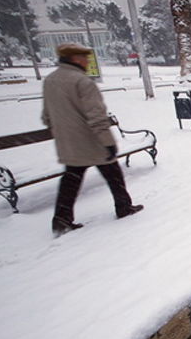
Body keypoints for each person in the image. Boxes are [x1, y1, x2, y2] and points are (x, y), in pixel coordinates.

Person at [42, 43, 143, 237]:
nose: (88, 61)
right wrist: (108, 141)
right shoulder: (82, 81)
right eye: (85, 58)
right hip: (91, 140)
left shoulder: (50, 80)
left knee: (71, 179)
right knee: (113, 173)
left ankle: (61, 220)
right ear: (75, 59)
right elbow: (96, 115)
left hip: (68, 142)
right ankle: (123, 207)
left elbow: (47, 116)